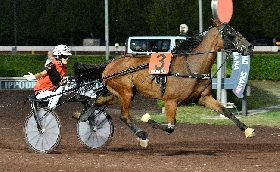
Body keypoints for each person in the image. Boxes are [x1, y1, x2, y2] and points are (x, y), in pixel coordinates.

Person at [23, 44, 72, 110]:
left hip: (50, 91)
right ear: (58, 56)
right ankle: (48, 111)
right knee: (58, 94)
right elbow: (42, 73)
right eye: (65, 56)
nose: (67, 58)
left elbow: (57, 83)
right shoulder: (52, 65)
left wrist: (63, 83)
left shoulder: (62, 68)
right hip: (42, 92)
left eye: (67, 56)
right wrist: (34, 77)